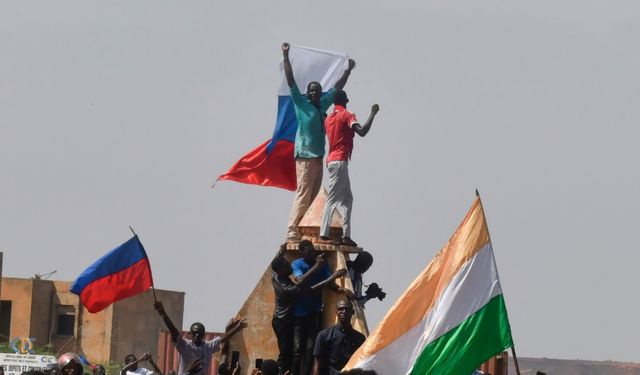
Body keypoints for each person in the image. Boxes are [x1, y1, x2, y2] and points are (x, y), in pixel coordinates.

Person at [281, 42, 356, 243]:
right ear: (308, 94)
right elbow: (291, 81)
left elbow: (337, 89)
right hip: (305, 157)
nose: (314, 93)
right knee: (303, 194)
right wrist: (286, 56)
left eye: (317, 91)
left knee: (314, 197)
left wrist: (348, 71)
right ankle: (292, 231)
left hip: (318, 157)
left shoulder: (322, 105)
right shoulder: (301, 105)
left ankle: (306, 230)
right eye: (311, 91)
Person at [271, 246, 347, 374]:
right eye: (285, 265)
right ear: (280, 271)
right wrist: (332, 275)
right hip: (282, 322)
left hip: (290, 319)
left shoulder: (275, 276)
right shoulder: (286, 289)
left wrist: (281, 250)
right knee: (287, 353)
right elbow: (310, 289)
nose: (289, 265)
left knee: (305, 350)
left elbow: (277, 262)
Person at [317, 92, 380, 247]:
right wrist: (373, 113)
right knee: (332, 199)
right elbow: (362, 132)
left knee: (347, 199)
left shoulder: (329, 119)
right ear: (346, 101)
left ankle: (346, 235)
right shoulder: (347, 115)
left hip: (333, 160)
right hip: (339, 161)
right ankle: (323, 235)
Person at [291, 241, 351, 375]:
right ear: (302, 253)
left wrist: (342, 289)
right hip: (299, 313)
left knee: (310, 349)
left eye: (314, 251)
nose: (313, 255)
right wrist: (317, 266)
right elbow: (300, 281)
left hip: (315, 311)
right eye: (310, 252)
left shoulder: (322, 264)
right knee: (296, 350)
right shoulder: (297, 264)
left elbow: (329, 283)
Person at [154, 300, 246, 375]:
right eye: (194, 333)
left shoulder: (207, 346)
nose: (197, 335)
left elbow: (222, 339)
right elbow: (173, 331)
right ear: (190, 333)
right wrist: (163, 314)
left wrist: (237, 328)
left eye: (200, 333)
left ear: (204, 335)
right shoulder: (184, 345)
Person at [312, 300, 366, 375]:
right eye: (340, 309)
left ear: (352, 312)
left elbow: (363, 363)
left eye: (347, 309)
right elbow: (317, 363)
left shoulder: (360, 338)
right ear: (336, 312)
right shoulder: (324, 335)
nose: (343, 312)